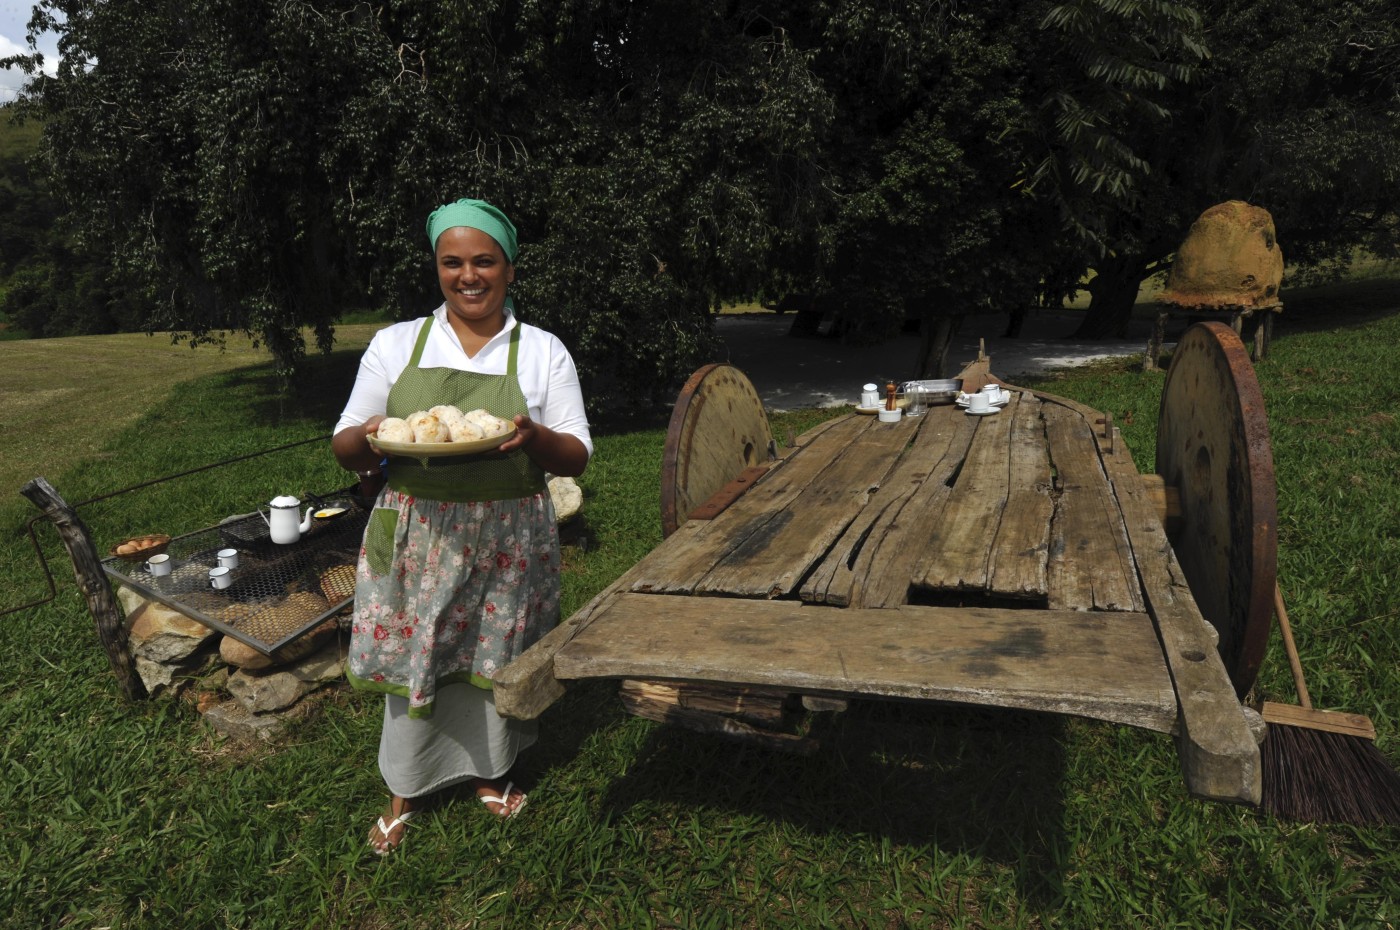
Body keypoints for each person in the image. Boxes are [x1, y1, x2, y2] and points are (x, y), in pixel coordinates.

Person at [332, 198, 591, 855]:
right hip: (419, 531)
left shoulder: (541, 351)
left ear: (508, 267)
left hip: (510, 535)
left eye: (484, 261)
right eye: (453, 262)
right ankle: (405, 788)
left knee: (494, 655)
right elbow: (346, 444)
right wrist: (368, 441)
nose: (468, 275)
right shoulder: (396, 345)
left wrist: (534, 439)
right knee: (418, 655)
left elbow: (577, 454)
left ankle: (490, 772)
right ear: (437, 268)